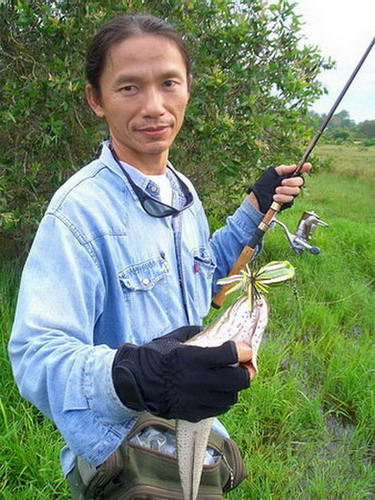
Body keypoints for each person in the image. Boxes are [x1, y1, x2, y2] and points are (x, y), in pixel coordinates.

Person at [9, 13, 310, 498]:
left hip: (195, 439)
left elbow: (204, 277)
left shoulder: (180, 189)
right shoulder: (77, 213)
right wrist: (134, 377)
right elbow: (34, 357)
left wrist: (255, 206)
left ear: (188, 88)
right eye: (129, 88)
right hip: (126, 459)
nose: (154, 107)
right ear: (96, 100)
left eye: (169, 83)